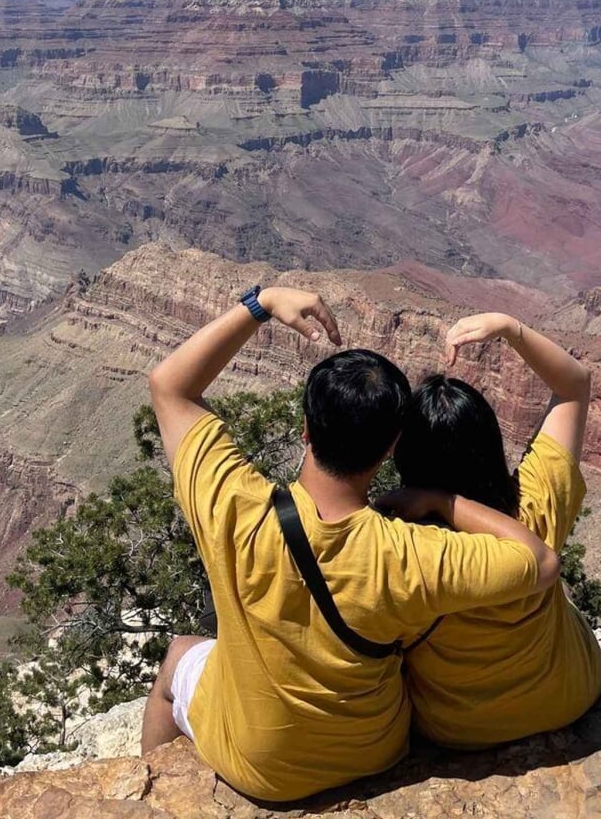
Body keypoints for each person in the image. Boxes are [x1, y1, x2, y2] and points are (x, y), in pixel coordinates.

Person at [139, 285, 561, 802]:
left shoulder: (235, 508)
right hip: (374, 751)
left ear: (305, 431)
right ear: (389, 449)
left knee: (179, 654)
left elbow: (170, 386)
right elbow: (539, 560)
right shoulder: (410, 553)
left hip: (261, 766)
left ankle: (148, 798)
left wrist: (261, 304)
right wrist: (440, 499)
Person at [383, 311, 601, 749]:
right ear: (490, 445)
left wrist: (429, 500)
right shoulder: (536, 505)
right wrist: (510, 328)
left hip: (457, 729)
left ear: (403, 456)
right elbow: (575, 385)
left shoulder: (400, 547)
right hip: (568, 696)